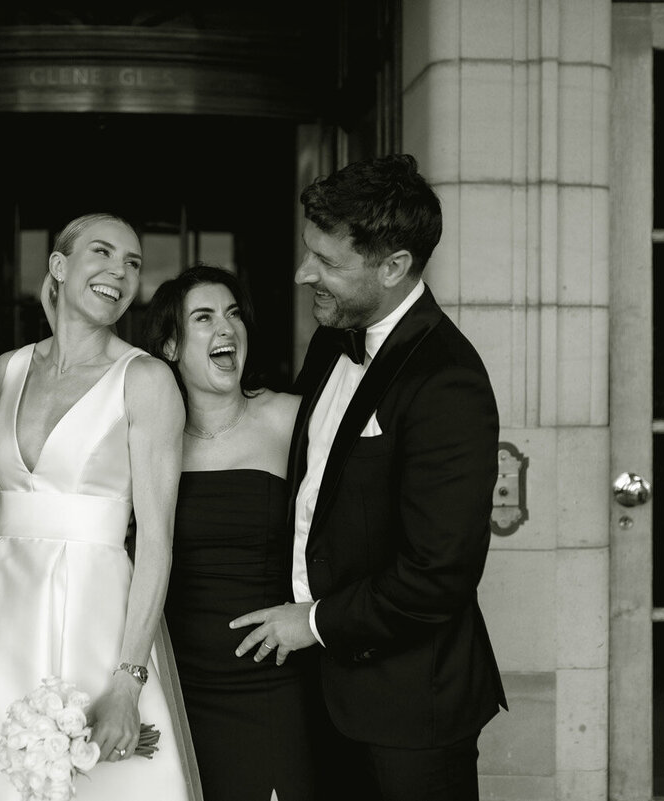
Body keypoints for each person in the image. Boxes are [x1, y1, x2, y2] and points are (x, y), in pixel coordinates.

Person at [229, 154, 507, 800]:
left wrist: (312, 622)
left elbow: (438, 573)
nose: (304, 274)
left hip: (408, 710)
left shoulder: (449, 381)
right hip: (322, 691)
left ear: (394, 266)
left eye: (327, 263)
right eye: (309, 254)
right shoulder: (334, 337)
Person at [0, 213, 201, 800]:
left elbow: (157, 540)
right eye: (101, 253)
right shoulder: (6, 371)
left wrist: (129, 681)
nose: (120, 272)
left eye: (133, 262)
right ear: (58, 266)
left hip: (97, 612)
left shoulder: (146, 381)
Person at [145, 265, 316, 801]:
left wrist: (313, 613)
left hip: (271, 674)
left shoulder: (290, 419)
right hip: (177, 679)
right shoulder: (146, 438)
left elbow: (351, 528)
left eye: (233, 314)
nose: (226, 328)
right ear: (171, 346)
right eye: (204, 317)